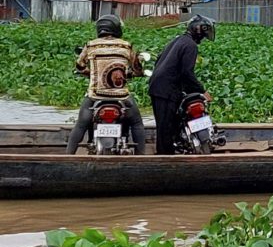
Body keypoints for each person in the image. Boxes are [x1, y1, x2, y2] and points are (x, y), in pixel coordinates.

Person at [66, 14, 146, 154]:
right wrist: (137, 71)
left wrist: (88, 72)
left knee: (80, 125)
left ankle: (68, 157)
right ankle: (142, 157)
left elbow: (79, 65)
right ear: (116, 28)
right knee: (137, 124)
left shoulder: (91, 45)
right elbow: (137, 68)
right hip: (121, 97)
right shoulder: (126, 46)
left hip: (95, 96)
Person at [148, 15, 215, 154]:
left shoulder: (178, 40)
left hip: (159, 85)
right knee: (166, 126)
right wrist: (202, 91)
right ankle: (166, 159)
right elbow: (187, 73)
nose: (202, 39)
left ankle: (171, 150)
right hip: (166, 88)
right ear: (199, 31)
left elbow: (159, 60)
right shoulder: (190, 46)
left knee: (167, 123)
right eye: (203, 35)